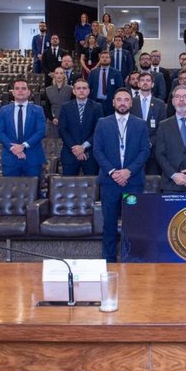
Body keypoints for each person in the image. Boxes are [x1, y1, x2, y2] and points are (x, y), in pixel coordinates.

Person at [93, 88, 150, 262]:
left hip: (133, 182)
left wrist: (128, 171)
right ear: (113, 102)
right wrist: (113, 172)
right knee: (109, 224)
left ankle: (132, 259)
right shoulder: (103, 123)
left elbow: (144, 151)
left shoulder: (140, 123)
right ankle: (109, 261)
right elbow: (97, 150)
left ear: (131, 103)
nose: (123, 103)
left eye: (126, 99)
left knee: (133, 225)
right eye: (119, 99)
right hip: (109, 182)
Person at [0, 80, 46, 178]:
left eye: (23, 88)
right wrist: (13, 148)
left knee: (33, 192)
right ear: (13, 92)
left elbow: (41, 131)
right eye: (17, 88)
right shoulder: (4, 110)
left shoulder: (38, 110)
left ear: (29, 92)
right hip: (10, 158)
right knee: (10, 192)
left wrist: (23, 146)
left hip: (32, 158)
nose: (20, 91)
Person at [58, 78, 102, 175]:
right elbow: (62, 130)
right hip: (70, 154)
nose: (81, 90)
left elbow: (98, 130)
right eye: (78, 88)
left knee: (91, 188)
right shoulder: (66, 107)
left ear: (88, 91)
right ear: (74, 91)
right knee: (68, 187)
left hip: (90, 155)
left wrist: (83, 147)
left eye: (84, 88)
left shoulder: (97, 107)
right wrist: (75, 148)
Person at [131, 71, 166, 174]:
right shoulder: (131, 102)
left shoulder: (160, 104)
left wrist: (149, 142)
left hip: (153, 151)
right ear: (138, 84)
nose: (145, 83)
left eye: (148, 80)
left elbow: (162, 128)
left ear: (152, 84)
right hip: (134, 149)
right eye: (142, 80)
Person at [89, 50, 124, 116]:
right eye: (102, 57)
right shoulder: (93, 72)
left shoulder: (116, 73)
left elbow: (120, 89)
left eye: (107, 57)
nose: (104, 59)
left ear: (110, 59)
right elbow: (89, 88)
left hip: (110, 104)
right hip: (96, 103)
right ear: (99, 59)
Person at [45, 66, 74, 135]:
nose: (59, 75)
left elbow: (72, 106)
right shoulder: (48, 90)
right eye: (57, 73)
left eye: (61, 73)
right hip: (52, 120)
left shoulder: (70, 89)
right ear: (54, 75)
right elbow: (47, 107)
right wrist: (52, 118)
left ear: (64, 75)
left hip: (67, 119)